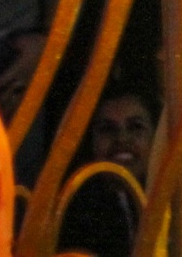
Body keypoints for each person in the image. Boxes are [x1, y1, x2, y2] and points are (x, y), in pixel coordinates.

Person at [56, 87, 157, 257]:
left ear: (156, 137)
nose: (122, 139)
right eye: (108, 129)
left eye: (135, 127)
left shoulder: (173, 203)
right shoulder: (74, 211)